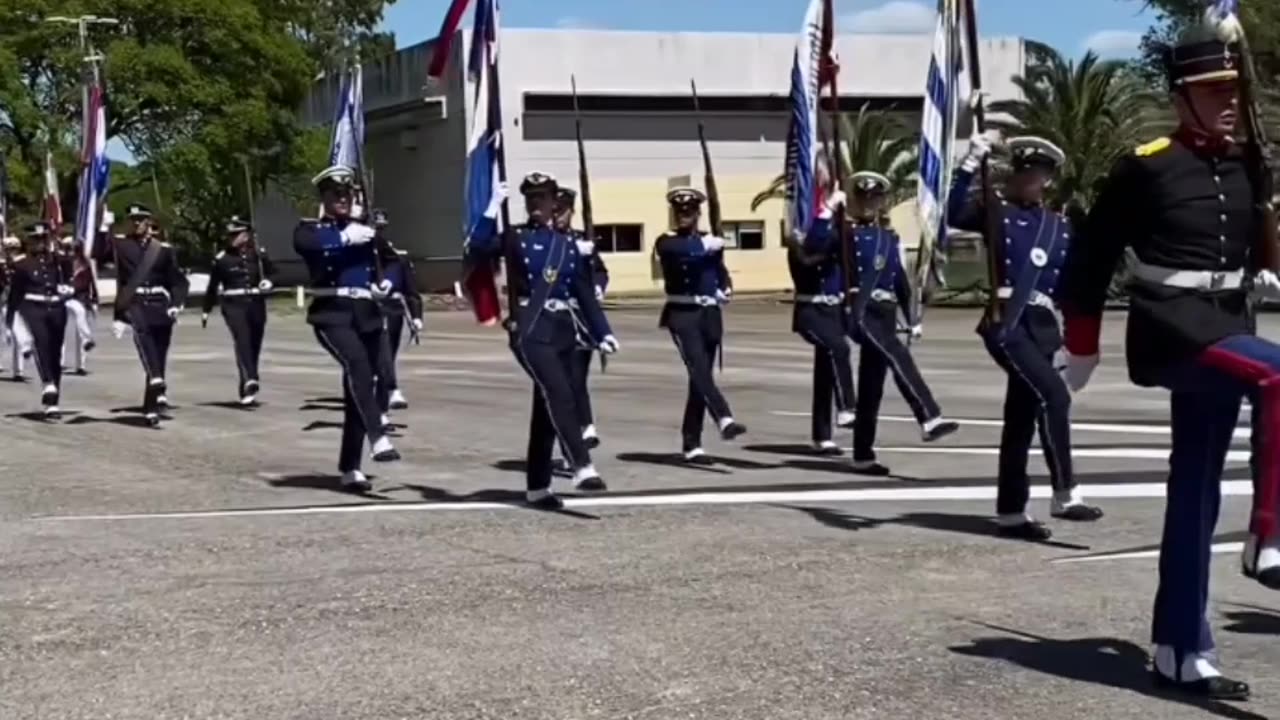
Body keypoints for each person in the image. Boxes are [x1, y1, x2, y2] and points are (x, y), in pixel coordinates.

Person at [1060, 23, 1267, 699]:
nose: (1228, 100)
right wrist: (1083, 344)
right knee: (1277, 375)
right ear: (1181, 98)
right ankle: (1268, 537)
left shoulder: (1247, 161)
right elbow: (1089, 259)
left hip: (1228, 323)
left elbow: (1249, 241)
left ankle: (1181, 647)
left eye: (1233, 87)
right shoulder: (1145, 167)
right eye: (1212, 90)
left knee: (1197, 491)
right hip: (1171, 331)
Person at [949, 135, 1104, 539]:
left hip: (1044, 329)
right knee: (1054, 396)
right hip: (1008, 322)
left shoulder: (1060, 227)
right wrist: (970, 164)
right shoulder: (995, 210)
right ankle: (1065, 492)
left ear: (1049, 180)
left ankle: (1010, 512)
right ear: (1014, 174)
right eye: (1025, 171)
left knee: (1020, 418)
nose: (1031, 179)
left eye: (1039, 174)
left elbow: (1070, 289)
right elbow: (951, 214)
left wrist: (1075, 342)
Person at [467, 171, 618, 509]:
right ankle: (582, 466)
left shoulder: (568, 245)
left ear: (554, 203)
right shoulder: (514, 238)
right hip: (530, 326)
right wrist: (491, 209)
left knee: (546, 409)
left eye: (542, 198)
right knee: (561, 392)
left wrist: (603, 332)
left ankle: (537, 486)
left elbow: (584, 292)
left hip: (563, 328)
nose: (536, 203)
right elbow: (476, 250)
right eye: (530, 198)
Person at [839, 172, 958, 475]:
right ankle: (928, 416)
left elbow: (901, 282)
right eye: (863, 198)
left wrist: (912, 317)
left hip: (887, 310)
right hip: (860, 310)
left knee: (872, 385)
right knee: (897, 354)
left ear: (881, 202)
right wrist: (831, 212)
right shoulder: (844, 235)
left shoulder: (890, 239)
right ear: (855, 201)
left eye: (874, 199)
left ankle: (862, 453)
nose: (868, 204)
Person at [293, 166, 400, 491]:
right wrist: (342, 238)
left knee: (363, 382)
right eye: (334, 195)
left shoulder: (364, 231)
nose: (341, 199)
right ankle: (378, 436)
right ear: (324, 199)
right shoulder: (311, 230)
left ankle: (350, 467)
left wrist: (386, 282)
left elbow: (395, 261)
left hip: (366, 312)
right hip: (332, 314)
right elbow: (307, 247)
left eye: (346, 194)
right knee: (357, 366)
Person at [655, 187, 745, 464]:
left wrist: (725, 287)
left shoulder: (709, 241)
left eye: (690, 211)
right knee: (697, 369)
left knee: (700, 378)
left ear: (698, 213)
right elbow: (682, 254)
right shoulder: (667, 241)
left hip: (709, 314)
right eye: (680, 211)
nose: (684, 216)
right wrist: (704, 247)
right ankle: (724, 417)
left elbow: (719, 270)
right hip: (682, 313)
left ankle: (691, 442)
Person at [787, 166, 856, 455]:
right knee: (838, 349)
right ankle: (847, 407)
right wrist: (826, 211)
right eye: (821, 183)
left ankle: (821, 434)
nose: (826, 187)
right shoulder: (801, 231)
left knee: (826, 370)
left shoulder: (841, 229)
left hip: (836, 310)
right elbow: (810, 254)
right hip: (811, 311)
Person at [112, 204, 189, 426]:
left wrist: (176, 304)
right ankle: (156, 377)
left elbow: (177, 282)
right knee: (143, 336)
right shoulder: (121, 245)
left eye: (141, 220)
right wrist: (100, 222)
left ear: (149, 222)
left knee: (159, 351)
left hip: (159, 303)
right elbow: (95, 249)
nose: (136, 223)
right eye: (133, 219)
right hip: (135, 302)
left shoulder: (162, 250)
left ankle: (151, 407)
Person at [555, 186, 608, 450]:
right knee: (560, 383)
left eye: (562, 211)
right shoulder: (546, 240)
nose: (558, 217)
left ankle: (585, 427)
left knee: (577, 378)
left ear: (572, 212)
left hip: (580, 319)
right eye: (554, 211)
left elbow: (599, 271)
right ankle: (572, 437)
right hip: (553, 318)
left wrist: (597, 286)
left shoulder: (582, 239)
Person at [202, 216, 275, 405]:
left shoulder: (258, 255)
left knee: (254, 344)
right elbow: (213, 285)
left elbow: (274, 272)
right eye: (230, 235)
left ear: (247, 235)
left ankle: (247, 384)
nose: (232, 238)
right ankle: (250, 377)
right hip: (233, 304)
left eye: (237, 234)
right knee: (241, 339)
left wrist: (270, 282)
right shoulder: (222, 258)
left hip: (256, 302)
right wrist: (206, 309)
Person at [5, 222, 73, 418]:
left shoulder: (58, 261)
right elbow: (15, 295)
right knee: (40, 344)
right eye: (36, 240)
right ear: (29, 242)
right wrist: (10, 321)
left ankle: (53, 401)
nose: (40, 244)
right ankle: (48, 383)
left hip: (56, 308)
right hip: (33, 308)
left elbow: (70, 279)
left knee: (55, 353)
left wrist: (69, 288)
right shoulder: (22, 265)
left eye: (43, 239)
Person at [370, 209, 423, 412]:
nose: (378, 231)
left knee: (388, 355)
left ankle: (382, 399)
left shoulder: (396, 257)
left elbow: (410, 289)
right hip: (371, 307)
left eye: (381, 227)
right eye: (375, 227)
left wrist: (416, 316)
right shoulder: (363, 254)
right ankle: (391, 389)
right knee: (377, 355)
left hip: (393, 309)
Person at [63, 236, 97, 375]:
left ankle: (81, 365)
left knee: (80, 316)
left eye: (74, 249)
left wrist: (94, 299)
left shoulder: (85, 264)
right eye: (69, 249)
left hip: (81, 298)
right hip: (64, 298)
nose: (72, 252)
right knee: (63, 333)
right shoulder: (63, 263)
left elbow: (90, 283)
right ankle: (60, 361)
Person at [1, 234, 28, 380]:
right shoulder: (2, 266)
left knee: (18, 336)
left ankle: (19, 371)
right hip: (3, 302)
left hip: (16, 304)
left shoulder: (21, 265)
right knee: (3, 335)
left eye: (13, 249)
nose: (10, 252)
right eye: (8, 249)